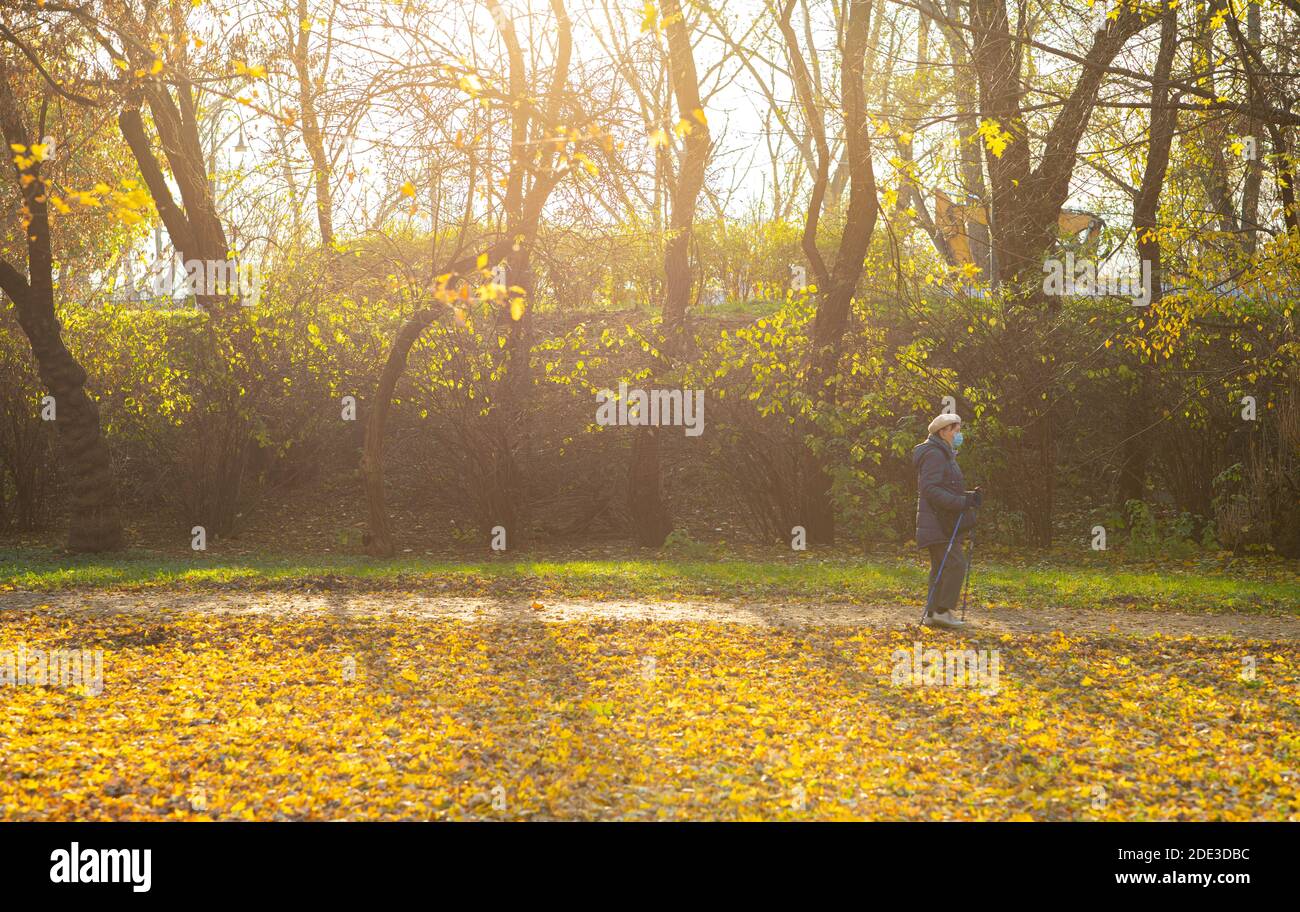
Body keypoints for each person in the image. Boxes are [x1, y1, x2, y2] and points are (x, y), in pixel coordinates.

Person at [912, 413, 982, 629]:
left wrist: (968, 497)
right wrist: (961, 502)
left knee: (941, 567)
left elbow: (945, 486)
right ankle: (943, 612)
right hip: (937, 522)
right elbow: (930, 489)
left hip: (940, 521)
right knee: (956, 564)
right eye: (955, 430)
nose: (959, 434)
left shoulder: (944, 454)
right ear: (943, 432)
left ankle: (934, 613)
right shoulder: (935, 454)